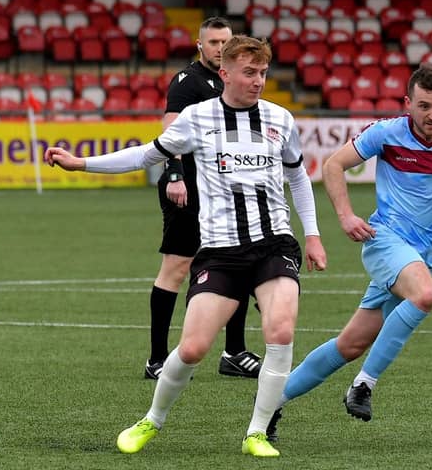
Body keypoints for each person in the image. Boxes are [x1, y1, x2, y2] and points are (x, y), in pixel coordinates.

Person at [45, 35, 328, 458]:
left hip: (274, 244)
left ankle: (257, 432)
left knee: (281, 329)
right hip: (220, 251)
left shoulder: (280, 119)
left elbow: (298, 177)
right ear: (225, 73)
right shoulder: (197, 118)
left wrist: (313, 233)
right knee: (194, 348)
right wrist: (81, 163)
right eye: (249, 73)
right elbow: (145, 156)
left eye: (263, 73)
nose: (258, 81)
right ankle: (151, 420)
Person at [263, 64, 432, 435]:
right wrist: (346, 216)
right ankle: (364, 384)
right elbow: (334, 165)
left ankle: (270, 404)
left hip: (419, 258)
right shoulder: (387, 132)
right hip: (384, 241)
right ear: (408, 103)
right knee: (426, 296)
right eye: (425, 106)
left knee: (350, 344)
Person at [146, 16, 261, 381]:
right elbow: (170, 128)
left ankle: (234, 352)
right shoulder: (188, 81)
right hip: (188, 189)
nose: (219, 48)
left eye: (225, 42)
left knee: (237, 264)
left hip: (225, 192)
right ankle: (157, 358)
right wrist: (175, 173)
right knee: (177, 268)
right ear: (200, 45)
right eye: (213, 43)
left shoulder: (236, 82)